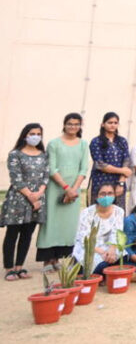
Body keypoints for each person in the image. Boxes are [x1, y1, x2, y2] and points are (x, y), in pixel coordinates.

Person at [37, 112, 90, 266]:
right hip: (56, 188)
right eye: (70, 124)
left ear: (80, 126)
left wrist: (74, 189)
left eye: (76, 124)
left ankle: (61, 257)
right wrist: (66, 187)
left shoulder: (83, 144)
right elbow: (52, 168)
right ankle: (48, 259)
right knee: (51, 222)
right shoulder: (54, 144)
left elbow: (83, 169)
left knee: (69, 223)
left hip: (75, 190)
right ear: (64, 125)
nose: (73, 127)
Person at [2, 123, 47, 280]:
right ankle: (9, 268)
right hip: (19, 199)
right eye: (32, 133)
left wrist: (39, 193)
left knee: (27, 234)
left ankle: (19, 267)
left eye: (38, 133)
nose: (35, 136)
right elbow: (16, 178)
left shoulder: (43, 155)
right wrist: (31, 196)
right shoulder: (15, 154)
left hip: (38, 200)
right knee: (12, 234)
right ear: (25, 135)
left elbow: (45, 177)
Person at [72, 182, 126, 275]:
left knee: (123, 257)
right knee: (97, 263)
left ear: (114, 195)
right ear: (96, 196)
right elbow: (84, 238)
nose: (106, 197)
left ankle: (104, 273)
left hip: (109, 246)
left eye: (110, 193)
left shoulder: (119, 211)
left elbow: (116, 233)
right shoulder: (87, 213)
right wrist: (102, 252)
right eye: (102, 193)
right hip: (90, 247)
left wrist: (112, 249)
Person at [89, 111, 131, 210]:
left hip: (119, 181)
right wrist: (122, 171)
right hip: (101, 181)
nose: (113, 125)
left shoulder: (122, 141)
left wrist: (121, 183)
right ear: (103, 124)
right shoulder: (96, 141)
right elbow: (100, 164)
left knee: (118, 211)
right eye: (110, 122)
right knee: (99, 210)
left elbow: (126, 161)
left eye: (115, 123)